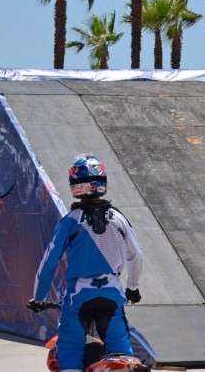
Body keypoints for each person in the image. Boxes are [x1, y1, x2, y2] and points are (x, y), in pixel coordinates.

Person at [28, 153, 143, 372]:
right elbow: (136, 255)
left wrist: (38, 298)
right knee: (121, 350)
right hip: (112, 293)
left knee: (70, 347)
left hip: (79, 296)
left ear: (75, 185)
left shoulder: (70, 222)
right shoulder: (119, 218)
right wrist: (133, 288)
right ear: (102, 183)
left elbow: (48, 264)